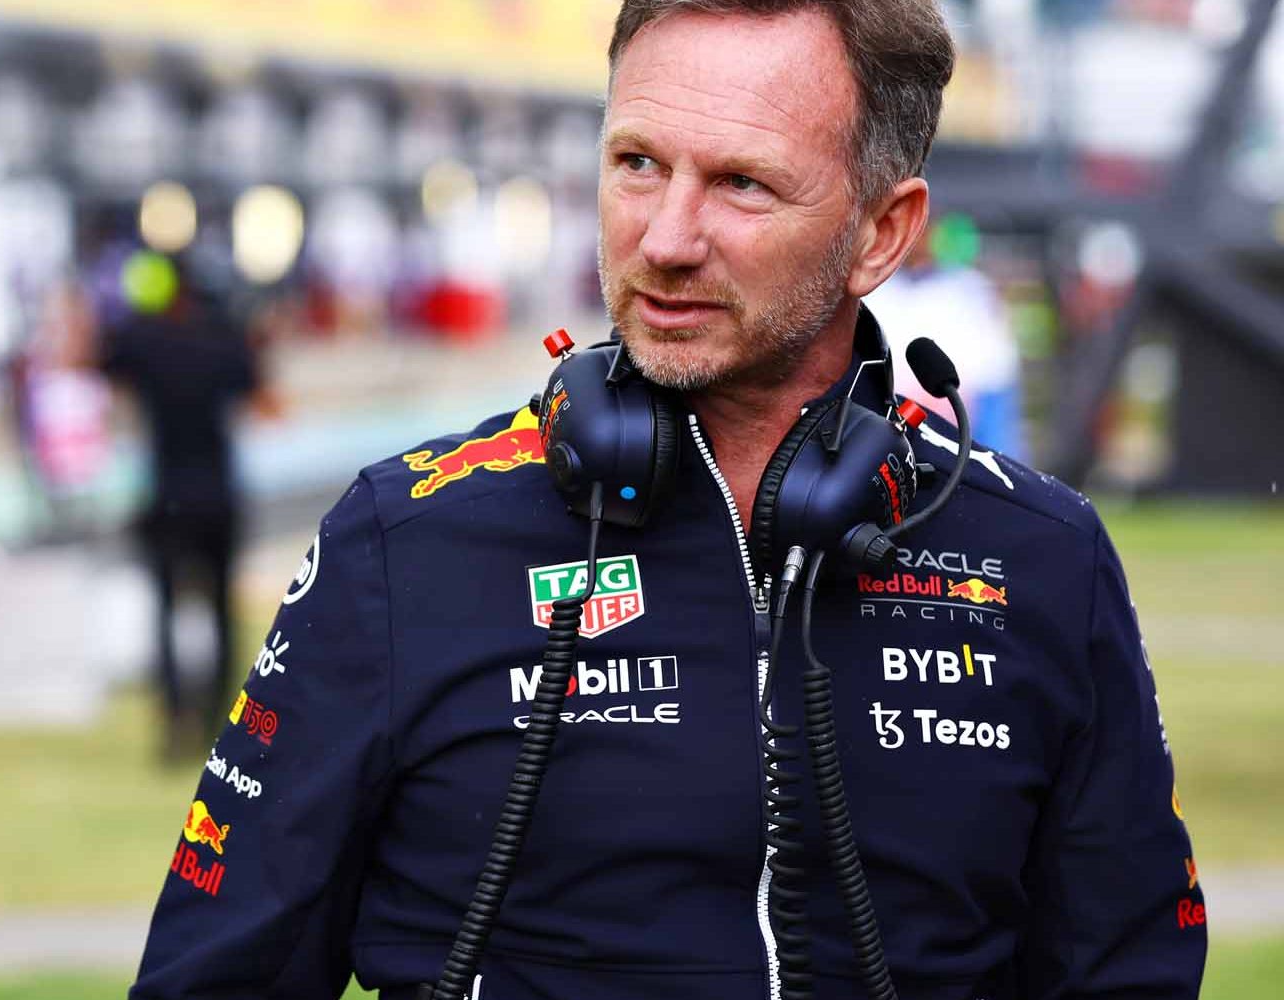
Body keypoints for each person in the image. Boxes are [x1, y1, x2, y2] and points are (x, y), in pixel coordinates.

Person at [131, 2, 1206, 998]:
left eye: (742, 183)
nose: (666, 238)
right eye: (638, 163)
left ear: (883, 233)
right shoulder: (401, 540)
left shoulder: (1045, 557)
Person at [99, 248, 263, 760]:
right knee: (220, 612)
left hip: (167, 496)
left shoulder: (146, 340)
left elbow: (106, 363)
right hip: (218, 493)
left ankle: (175, 724)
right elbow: (258, 390)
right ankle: (220, 721)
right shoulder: (224, 339)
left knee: (168, 611)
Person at [863, 214, 1026, 459]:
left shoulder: (968, 288)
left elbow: (995, 370)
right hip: (889, 417)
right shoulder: (872, 289)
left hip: (959, 412)